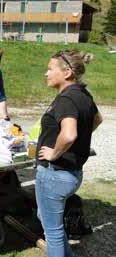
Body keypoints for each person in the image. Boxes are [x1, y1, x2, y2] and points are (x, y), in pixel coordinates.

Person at [36, 49, 103, 257]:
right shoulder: (83, 94)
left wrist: (54, 153)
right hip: (71, 173)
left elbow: (69, 134)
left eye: (50, 69)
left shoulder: (66, 99)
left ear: (66, 73)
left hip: (55, 173)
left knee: (53, 232)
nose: (46, 73)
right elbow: (98, 119)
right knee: (45, 216)